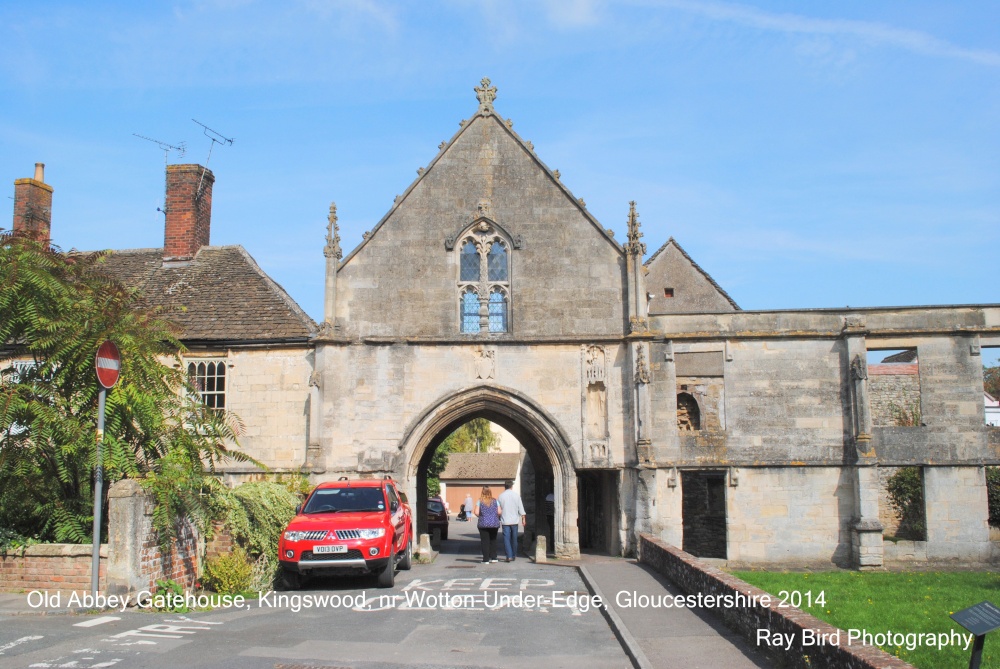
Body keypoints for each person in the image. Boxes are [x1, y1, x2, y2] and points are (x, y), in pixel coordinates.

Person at [497, 480, 526, 562]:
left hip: (505, 520)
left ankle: (509, 555)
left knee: (506, 538)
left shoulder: (501, 496)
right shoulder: (516, 496)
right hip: (514, 520)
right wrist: (523, 518)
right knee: (514, 538)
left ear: (505, 486)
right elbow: (521, 507)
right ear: (511, 486)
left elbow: (498, 509)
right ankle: (514, 554)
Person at [473, 486, 501, 563]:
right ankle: (494, 557)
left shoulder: (480, 501)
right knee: (493, 540)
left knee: (485, 541)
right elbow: (499, 512)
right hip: (494, 523)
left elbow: (476, 512)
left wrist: (482, 515)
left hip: (483, 523)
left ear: (482, 492)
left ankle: (486, 559)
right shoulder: (495, 501)